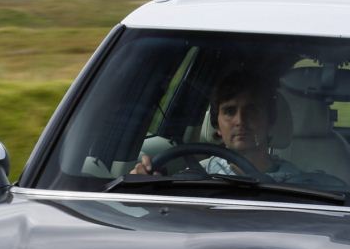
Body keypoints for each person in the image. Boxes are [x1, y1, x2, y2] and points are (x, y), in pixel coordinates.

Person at [132, 70, 310, 181]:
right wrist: (146, 182)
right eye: (230, 111)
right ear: (217, 125)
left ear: (269, 121)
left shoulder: (297, 183)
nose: (240, 120)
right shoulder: (197, 175)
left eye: (251, 110)